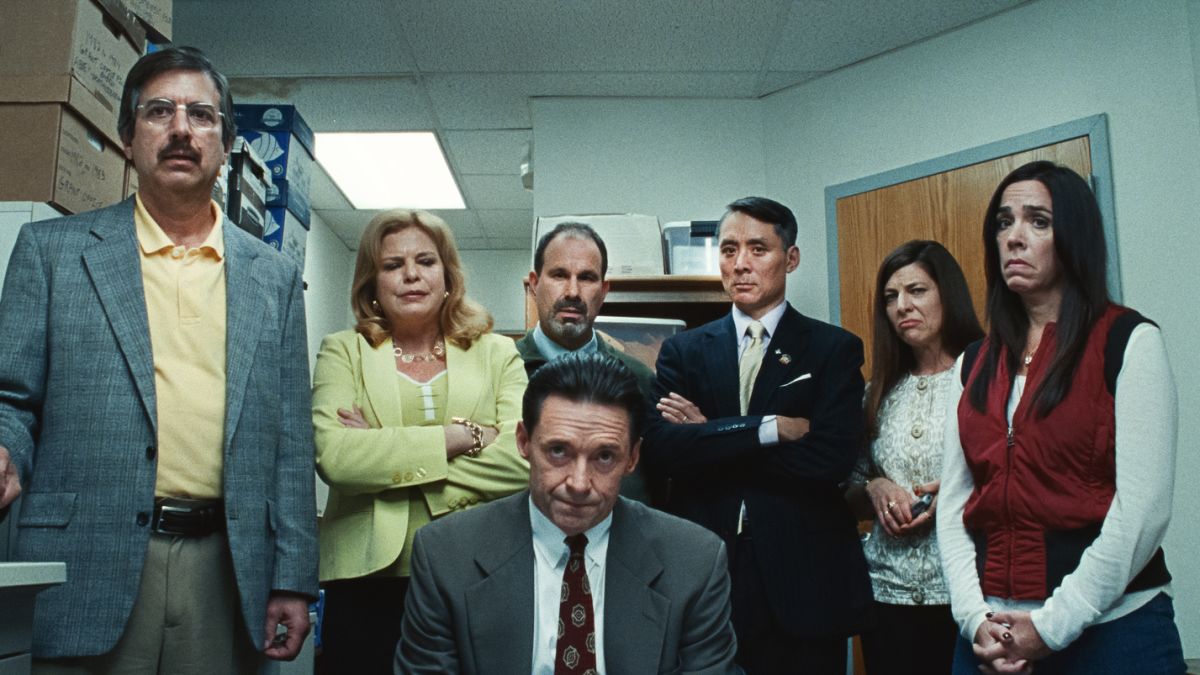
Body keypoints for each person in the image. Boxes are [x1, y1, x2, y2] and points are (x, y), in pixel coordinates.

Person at [0, 46, 316, 672]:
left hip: (226, 568)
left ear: (226, 144)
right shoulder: (51, 252)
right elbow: (10, 396)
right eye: (159, 112)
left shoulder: (273, 276)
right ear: (127, 137)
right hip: (86, 556)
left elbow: (290, 440)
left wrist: (293, 576)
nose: (181, 129)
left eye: (201, 115)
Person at [938, 161, 1185, 674]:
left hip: (1112, 633)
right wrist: (974, 618)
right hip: (990, 638)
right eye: (1003, 222)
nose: (1014, 237)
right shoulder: (972, 363)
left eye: (1038, 222)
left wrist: (1052, 627)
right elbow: (955, 504)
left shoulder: (1129, 342)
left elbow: (1143, 511)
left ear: (1074, 237)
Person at [394, 352, 739, 674]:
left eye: (604, 456)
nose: (578, 483)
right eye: (558, 451)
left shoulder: (694, 561)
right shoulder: (446, 554)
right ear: (524, 442)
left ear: (633, 458)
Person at [642, 196, 872, 673]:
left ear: (791, 258)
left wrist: (709, 436)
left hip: (804, 580)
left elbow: (830, 458)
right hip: (707, 571)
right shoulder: (683, 351)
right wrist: (770, 429)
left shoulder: (833, 349)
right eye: (729, 250)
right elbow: (663, 450)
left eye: (758, 249)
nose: (740, 263)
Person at [311, 209, 529, 674]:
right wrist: (464, 436)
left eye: (426, 261)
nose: (411, 275)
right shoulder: (343, 351)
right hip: (367, 577)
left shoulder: (497, 352)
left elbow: (525, 460)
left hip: (478, 567)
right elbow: (337, 458)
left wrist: (382, 450)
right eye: (392, 265)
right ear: (372, 281)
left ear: (447, 274)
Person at [844, 240, 983, 674]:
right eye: (891, 297)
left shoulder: (986, 380)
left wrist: (958, 494)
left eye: (917, 290)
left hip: (969, 591)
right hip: (887, 596)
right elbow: (848, 487)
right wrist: (875, 487)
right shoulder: (876, 393)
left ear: (948, 295)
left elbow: (1021, 476)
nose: (902, 306)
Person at [519, 221, 657, 503]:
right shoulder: (503, 369)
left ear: (603, 290)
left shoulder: (638, 378)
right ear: (534, 284)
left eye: (586, 278)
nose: (572, 292)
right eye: (559, 275)